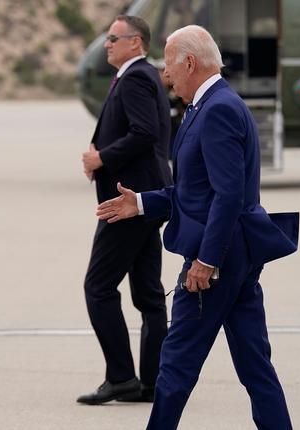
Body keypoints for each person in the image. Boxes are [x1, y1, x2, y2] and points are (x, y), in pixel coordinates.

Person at [96, 25, 298, 429]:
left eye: (169, 64)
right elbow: (195, 193)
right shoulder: (209, 106)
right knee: (256, 368)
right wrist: (139, 202)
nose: (166, 74)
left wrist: (206, 261)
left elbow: (228, 197)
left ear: (190, 62)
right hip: (236, 255)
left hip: (216, 261)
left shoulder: (219, 109)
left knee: (175, 367)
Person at [77, 15, 172, 405]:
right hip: (148, 196)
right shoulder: (143, 75)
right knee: (149, 294)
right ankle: (152, 381)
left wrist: (101, 158)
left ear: (136, 43)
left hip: (130, 200)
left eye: (113, 39)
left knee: (98, 287)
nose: (107, 45)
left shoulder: (134, 77)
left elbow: (144, 132)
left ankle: (120, 377)